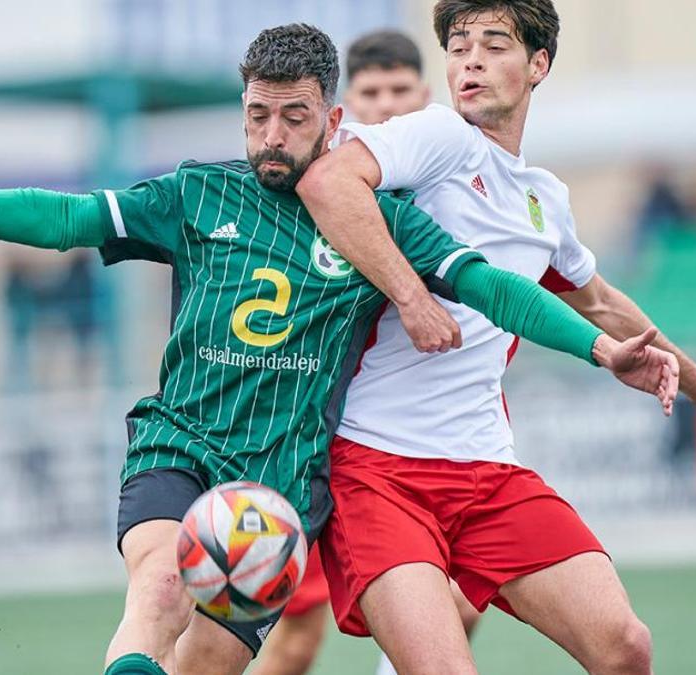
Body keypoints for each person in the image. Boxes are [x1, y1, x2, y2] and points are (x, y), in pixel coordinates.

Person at [0, 24, 680, 675]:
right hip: (180, 443)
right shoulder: (198, 193)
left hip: (281, 485)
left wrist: (597, 348)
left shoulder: (379, 223)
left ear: (333, 120)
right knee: (161, 585)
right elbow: (70, 218)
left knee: (207, 664)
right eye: (256, 116)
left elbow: (494, 287)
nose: (272, 135)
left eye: (294, 117)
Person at [295, 2, 696, 674]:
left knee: (624, 646)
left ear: (538, 64)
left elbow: (601, 302)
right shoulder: (438, 135)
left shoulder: (543, 199)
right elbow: (326, 180)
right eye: (459, 47)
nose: (471, 62)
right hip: (376, 469)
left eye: (494, 46)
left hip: (485, 469)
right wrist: (410, 295)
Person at [255, 29, 479, 675]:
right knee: (295, 638)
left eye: (399, 91)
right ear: (344, 108)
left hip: (411, 440)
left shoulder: (448, 184)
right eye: (371, 93)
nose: (386, 105)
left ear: (426, 97)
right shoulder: (320, 184)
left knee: (463, 599)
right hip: (310, 442)